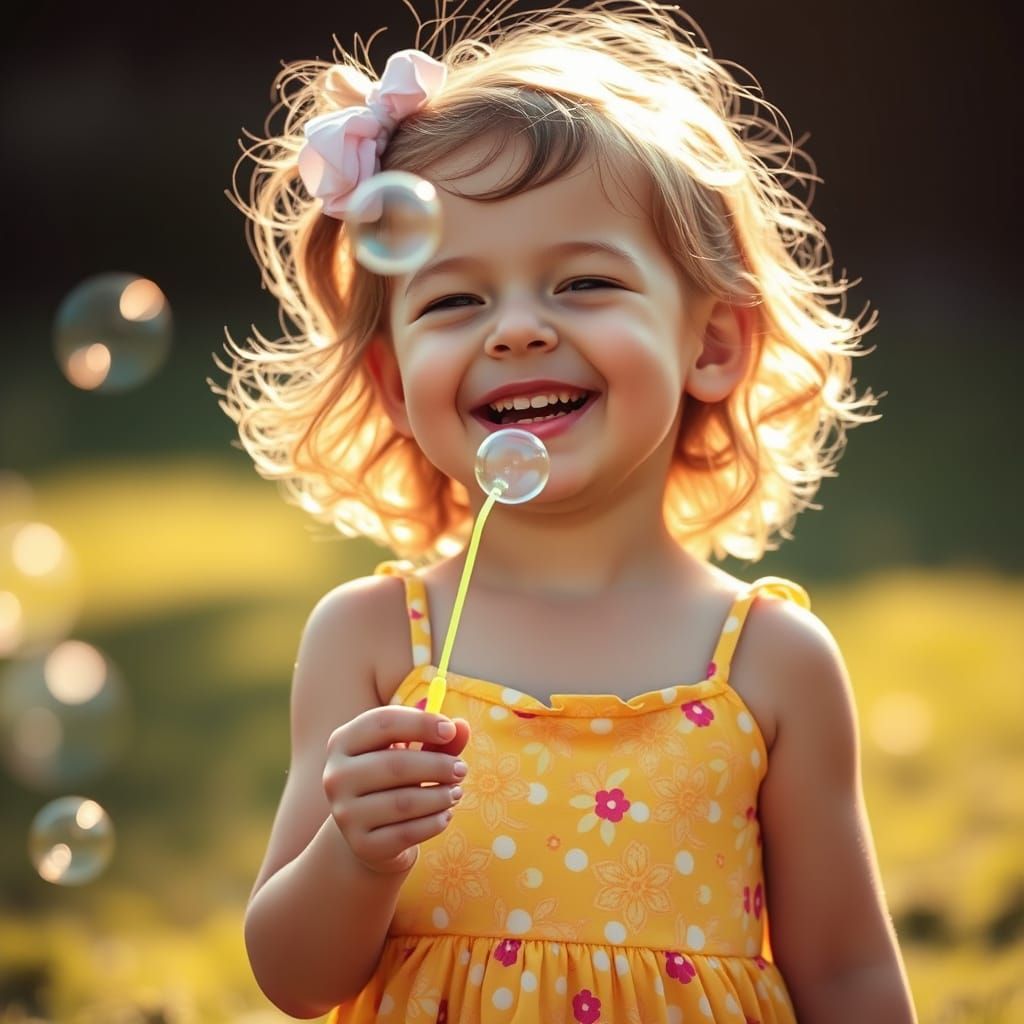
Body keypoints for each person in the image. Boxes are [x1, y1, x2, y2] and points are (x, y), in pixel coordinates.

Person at [217, 2, 918, 1020]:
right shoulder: (372, 643)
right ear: (391, 382)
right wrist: (354, 852)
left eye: (583, 281)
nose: (515, 331)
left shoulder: (771, 662)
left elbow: (848, 972)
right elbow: (293, 977)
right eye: (453, 301)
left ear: (711, 343)